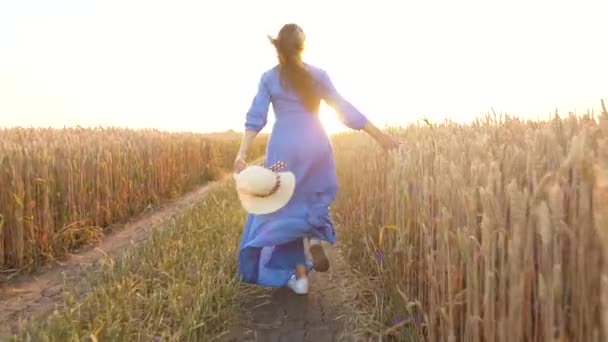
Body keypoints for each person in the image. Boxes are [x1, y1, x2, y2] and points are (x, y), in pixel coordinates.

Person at [233, 23, 401, 295]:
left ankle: (300, 278)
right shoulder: (318, 75)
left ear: (279, 48)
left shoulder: (269, 78)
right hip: (316, 143)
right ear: (302, 48)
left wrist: (241, 154)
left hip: (284, 148)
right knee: (311, 197)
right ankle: (312, 239)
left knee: (283, 208)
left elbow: (256, 118)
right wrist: (379, 136)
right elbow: (343, 108)